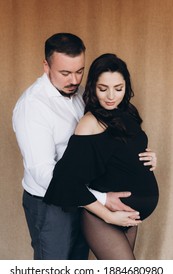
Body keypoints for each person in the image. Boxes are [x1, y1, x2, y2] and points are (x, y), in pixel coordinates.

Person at [12, 33, 157, 260]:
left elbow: (105, 145)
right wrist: (101, 201)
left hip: (85, 200)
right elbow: (44, 174)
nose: (74, 80)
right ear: (46, 66)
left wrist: (141, 158)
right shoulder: (32, 107)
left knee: (79, 265)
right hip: (50, 203)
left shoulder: (82, 94)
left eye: (79, 71)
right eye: (65, 73)